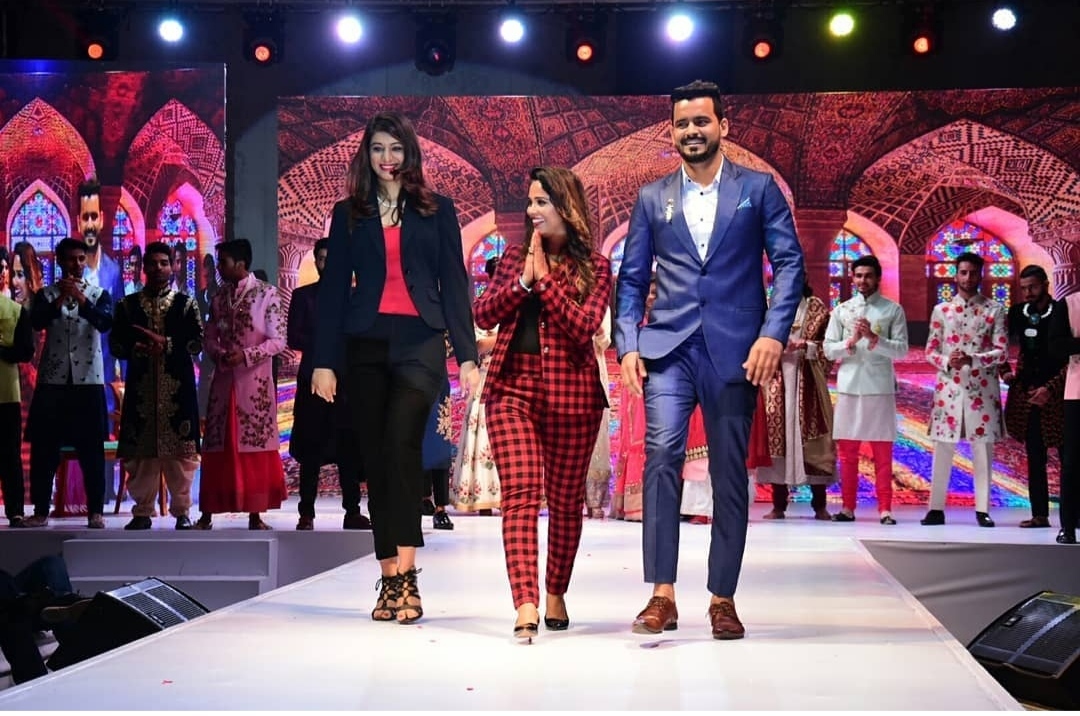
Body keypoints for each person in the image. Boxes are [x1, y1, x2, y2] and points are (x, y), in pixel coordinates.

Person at [614, 80, 805, 641]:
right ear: (671, 132)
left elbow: (789, 266)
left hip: (736, 349)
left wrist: (772, 334)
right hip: (668, 347)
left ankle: (723, 597)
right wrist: (628, 342)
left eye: (701, 121)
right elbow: (632, 278)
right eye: (682, 124)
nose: (691, 131)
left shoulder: (758, 188)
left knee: (728, 472)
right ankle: (662, 595)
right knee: (661, 456)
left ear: (724, 126)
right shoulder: (652, 197)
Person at [311, 111, 479, 624]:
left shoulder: (437, 210)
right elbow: (333, 291)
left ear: (410, 153)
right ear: (367, 154)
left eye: (396, 148)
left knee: (403, 446)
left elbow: (454, 283)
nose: (388, 158)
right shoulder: (348, 214)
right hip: (364, 343)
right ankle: (389, 575)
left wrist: (467, 355)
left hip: (420, 342)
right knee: (377, 456)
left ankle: (407, 572)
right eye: (379, 148)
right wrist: (324, 362)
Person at [474, 166, 611, 641]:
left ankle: (555, 592)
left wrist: (544, 280)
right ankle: (526, 602)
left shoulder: (596, 266)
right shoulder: (514, 258)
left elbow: (583, 327)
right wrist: (522, 283)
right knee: (520, 494)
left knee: (566, 503)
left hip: (574, 396)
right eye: (530, 201)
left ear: (566, 207)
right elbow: (484, 312)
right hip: (512, 389)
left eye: (541, 202)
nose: (532, 210)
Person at [110, 242, 203, 531]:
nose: (158, 268)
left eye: (164, 263)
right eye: (152, 263)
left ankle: (182, 511)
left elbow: (197, 342)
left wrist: (168, 344)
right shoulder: (127, 306)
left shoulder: (185, 304)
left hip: (178, 389)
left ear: (173, 266)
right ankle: (142, 511)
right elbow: (115, 344)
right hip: (141, 389)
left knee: (180, 455)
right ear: (143, 268)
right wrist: (135, 347)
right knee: (141, 455)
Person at [195, 239, 287, 531]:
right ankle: (207, 514)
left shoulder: (267, 294)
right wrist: (219, 353)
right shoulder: (219, 297)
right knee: (217, 445)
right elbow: (209, 337)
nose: (219, 269)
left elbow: (278, 341)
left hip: (254, 383)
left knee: (253, 444)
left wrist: (246, 355)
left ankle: (255, 514)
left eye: (223, 262)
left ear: (241, 263)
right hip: (223, 381)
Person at [24, 238, 113, 528]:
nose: (76, 264)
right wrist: (61, 299)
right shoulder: (46, 295)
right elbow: (37, 322)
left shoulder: (99, 294)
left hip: (88, 381)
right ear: (60, 262)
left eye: (80, 259)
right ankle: (41, 509)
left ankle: (95, 511)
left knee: (92, 450)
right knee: (45, 447)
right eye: (70, 259)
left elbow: (104, 322)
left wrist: (81, 299)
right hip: (54, 381)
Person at [288, 238, 370, 531]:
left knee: (349, 449)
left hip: (347, 384)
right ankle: (306, 513)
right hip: (313, 381)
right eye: (322, 259)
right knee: (311, 448)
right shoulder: (303, 296)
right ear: (316, 262)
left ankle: (352, 512)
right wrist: (326, 342)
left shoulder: (356, 298)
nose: (327, 264)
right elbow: (294, 337)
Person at [921, 252, 1007, 528]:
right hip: (949, 388)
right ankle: (936, 508)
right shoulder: (941, 310)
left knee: (982, 449)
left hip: (982, 389)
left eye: (973, 273)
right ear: (955, 275)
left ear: (980, 275)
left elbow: (1002, 351)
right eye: (963, 272)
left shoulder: (994, 309)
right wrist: (948, 361)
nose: (968, 278)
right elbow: (930, 350)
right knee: (943, 448)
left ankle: (982, 509)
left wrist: (974, 359)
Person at [823, 255, 909, 524]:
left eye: (868, 276)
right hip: (849, 386)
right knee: (848, 452)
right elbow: (828, 349)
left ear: (878, 278)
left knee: (882, 452)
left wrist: (874, 338)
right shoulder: (842, 310)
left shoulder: (892, 310)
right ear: (853, 278)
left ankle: (885, 509)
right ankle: (848, 507)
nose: (863, 280)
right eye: (859, 275)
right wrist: (850, 341)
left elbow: (901, 350)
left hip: (879, 388)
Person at [753, 283, 835, 521]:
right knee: (778, 441)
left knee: (813, 442)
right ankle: (778, 505)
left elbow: (828, 347)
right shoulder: (770, 309)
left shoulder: (817, 308)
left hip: (808, 380)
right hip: (776, 380)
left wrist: (805, 345)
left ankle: (820, 505)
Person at [1001, 266, 1066, 529]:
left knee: (1069, 457)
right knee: (1035, 456)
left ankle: (1073, 514)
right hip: (1028, 396)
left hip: (1059, 395)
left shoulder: (1062, 311)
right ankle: (1040, 514)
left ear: (1046, 285)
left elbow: (1072, 358)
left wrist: (1050, 389)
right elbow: (998, 344)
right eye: (1024, 288)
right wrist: (1005, 371)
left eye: (1033, 287)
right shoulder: (1018, 313)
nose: (1028, 293)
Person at [451, 256, 502, 516]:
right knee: (483, 435)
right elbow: (478, 345)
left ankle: (510, 497)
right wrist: (505, 336)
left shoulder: (517, 302)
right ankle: (483, 497)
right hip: (487, 376)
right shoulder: (483, 307)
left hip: (514, 374)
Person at [0, 286, 34, 527]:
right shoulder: (15, 310)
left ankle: (16, 511)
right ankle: (15, 512)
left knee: (11, 454)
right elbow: (25, 351)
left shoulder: (17, 310)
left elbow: (26, 352)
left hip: (7, 392)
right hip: (7, 392)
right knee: (10, 455)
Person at [1049, 290, 1080, 545]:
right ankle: (1068, 526)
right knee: (1072, 461)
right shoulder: (1069, 304)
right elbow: (1056, 346)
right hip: (1077, 391)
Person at [585, 307, 613, 519]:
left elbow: (605, 340)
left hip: (593, 368)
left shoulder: (600, 304)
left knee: (596, 435)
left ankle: (594, 500)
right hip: (562, 369)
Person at [420, 374, 455, 530]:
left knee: (440, 437)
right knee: (416, 436)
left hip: (436, 375)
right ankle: (423, 497)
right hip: (408, 376)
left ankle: (441, 508)